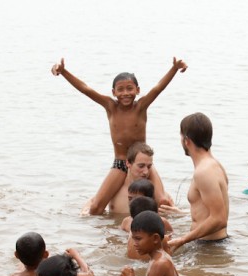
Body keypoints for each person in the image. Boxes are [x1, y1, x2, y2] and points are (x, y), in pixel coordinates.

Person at [51, 58, 185, 215]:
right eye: (120, 90)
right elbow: (86, 89)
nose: (125, 93)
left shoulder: (140, 107)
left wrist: (174, 69)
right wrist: (64, 72)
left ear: (138, 90)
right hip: (120, 162)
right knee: (95, 209)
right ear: (113, 92)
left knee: (162, 201)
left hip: (141, 161)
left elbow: (157, 88)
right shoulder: (110, 106)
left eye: (130, 89)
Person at [168, 113, 229, 253]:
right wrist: (181, 213)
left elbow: (220, 218)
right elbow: (208, 208)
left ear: (187, 141)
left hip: (209, 247)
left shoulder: (204, 171)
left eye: (181, 137)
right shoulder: (214, 165)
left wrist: (183, 239)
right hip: (211, 244)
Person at [82, 142, 171, 215]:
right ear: (128, 163)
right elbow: (94, 201)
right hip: (116, 233)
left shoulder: (154, 192)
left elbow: (173, 212)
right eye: (141, 166)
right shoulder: (116, 188)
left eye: (149, 167)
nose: (146, 172)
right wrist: (85, 211)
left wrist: (177, 213)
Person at [120, 211, 181, 276]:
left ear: (155, 238)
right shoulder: (160, 257)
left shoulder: (159, 264)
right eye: (134, 239)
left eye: (138, 239)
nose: (134, 243)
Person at [11, 232, 93, 276]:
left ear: (16, 255)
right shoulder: (55, 273)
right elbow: (89, 275)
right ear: (46, 254)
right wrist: (76, 255)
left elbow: (26, 267)